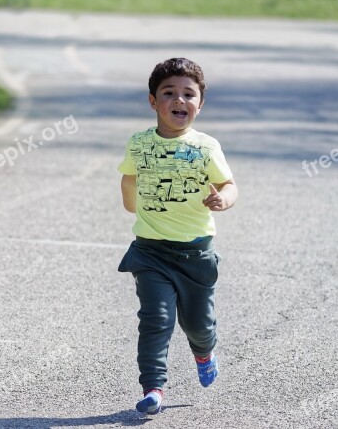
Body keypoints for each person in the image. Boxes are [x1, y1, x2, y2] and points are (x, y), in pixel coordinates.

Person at [117, 57, 238, 415]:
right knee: (156, 319)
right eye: (169, 93)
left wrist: (223, 199)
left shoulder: (206, 147)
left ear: (200, 103)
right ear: (153, 101)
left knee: (198, 325)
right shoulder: (139, 143)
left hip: (196, 255)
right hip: (150, 251)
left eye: (189, 94)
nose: (179, 100)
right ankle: (153, 388)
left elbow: (229, 184)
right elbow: (128, 177)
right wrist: (131, 203)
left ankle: (204, 352)